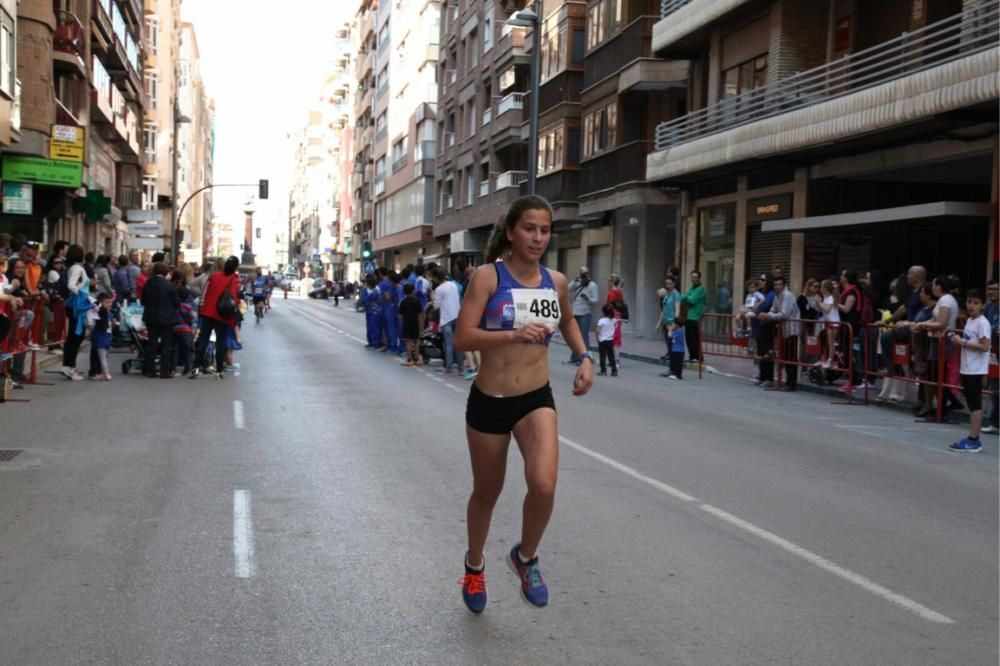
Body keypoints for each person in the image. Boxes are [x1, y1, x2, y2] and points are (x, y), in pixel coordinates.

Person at [453, 195, 593, 614]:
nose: (538, 237)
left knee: (545, 484)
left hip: (536, 397)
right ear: (512, 232)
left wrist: (584, 355)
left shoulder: (557, 281)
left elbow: (567, 319)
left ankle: (526, 557)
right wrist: (513, 335)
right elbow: (463, 337)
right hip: (490, 401)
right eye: (530, 228)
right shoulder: (487, 278)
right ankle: (474, 565)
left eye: (545, 230)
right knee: (487, 492)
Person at [949, 288, 991, 452]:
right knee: (971, 404)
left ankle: (974, 440)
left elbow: (984, 346)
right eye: (969, 302)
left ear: (982, 305)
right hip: (967, 367)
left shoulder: (982, 322)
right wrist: (960, 340)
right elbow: (969, 340)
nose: (971, 306)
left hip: (975, 369)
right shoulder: (970, 321)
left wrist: (963, 343)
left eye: (976, 303)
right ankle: (971, 438)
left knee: (975, 405)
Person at [191, 256, 241, 380]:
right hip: (221, 314)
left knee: (203, 340)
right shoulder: (234, 279)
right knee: (220, 342)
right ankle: (219, 371)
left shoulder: (214, 276)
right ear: (235, 267)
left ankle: (196, 368)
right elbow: (233, 297)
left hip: (207, 311)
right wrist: (238, 302)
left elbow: (205, 291)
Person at [760, 275, 801, 391]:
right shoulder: (777, 295)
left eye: (780, 285)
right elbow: (773, 309)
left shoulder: (787, 295)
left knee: (790, 356)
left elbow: (784, 313)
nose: (777, 287)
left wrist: (768, 316)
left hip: (791, 329)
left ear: (784, 285)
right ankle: (786, 383)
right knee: (785, 356)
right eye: (776, 285)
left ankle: (791, 384)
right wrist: (769, 314)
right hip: (783, 329)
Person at [141, 262, 179, 378]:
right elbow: (177, 302)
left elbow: (143, 301)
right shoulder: (169, 285)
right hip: (167, 319)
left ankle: (149, 369)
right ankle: (164, 371)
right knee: (166, 345)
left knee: (152, 344)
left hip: (151, 317)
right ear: (166, 272)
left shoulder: (148, 284)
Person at [60, 245, 90, 381]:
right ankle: (69, 366)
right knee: (76, 335)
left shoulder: (72, 267)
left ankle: (69, 365)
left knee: (75, 335)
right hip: (76, 305)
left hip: (74, 304)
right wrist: (82, 294)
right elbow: (71, 285)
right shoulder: (77, 268)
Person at [431, 266, 464, 375]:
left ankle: (449, 368)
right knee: (458, 343)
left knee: (449, 344)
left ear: (436, 278)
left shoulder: (439, 289)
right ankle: (461, 369)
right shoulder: (453, 285)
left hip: (446, 318)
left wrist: (432, 297)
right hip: (457, 316)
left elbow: (436, 306)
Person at [568, 267, 598, 364]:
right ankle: (574, 358)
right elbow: (568, 289)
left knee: (584, 336)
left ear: (589, 273)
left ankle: (585, 359)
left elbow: (595, 300)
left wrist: (588, 298)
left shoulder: (592, 285)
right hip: (575, 312)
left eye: (585, 273)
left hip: (585, 313)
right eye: (582, 273)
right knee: (574, 336)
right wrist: (575, 280)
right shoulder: (578, 283)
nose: (584, 275)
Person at [983, 279, 999, 434]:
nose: (991, 292)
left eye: (995, 289)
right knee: (995, 388)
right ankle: (995, 422)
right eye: (989, 289)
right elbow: (985, 326)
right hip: (993, 352)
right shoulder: (988, 307)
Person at [681, 270, 706, 364]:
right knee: (688, 337)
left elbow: (692, 300)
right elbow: (685, 297)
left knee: (694, 338)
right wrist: (687, 296)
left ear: (699, 278)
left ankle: (696, 357)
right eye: (692, 277)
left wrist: (686, 297)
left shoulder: (700, 289)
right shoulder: (691, 288)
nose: (693, 279)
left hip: (695, 316)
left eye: (695, 277)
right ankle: (692, 356)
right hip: (688, 316)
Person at [89, 292, 114, 381]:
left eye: (110, 302)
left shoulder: (107, 312)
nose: (109, 304)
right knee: (102, 358)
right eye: (107, 302)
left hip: (104, 337)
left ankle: (99, 373)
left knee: (101, 357)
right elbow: (91, 324)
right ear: (101, 302)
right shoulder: (100, 311)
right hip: (100, 337)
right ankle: (105, 374)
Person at [397, 282, 423, 367]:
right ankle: (417, 359)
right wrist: (421, 326)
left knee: (408, 341)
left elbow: (400, 315)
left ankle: (409, 359)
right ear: (413, 291)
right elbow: (420, 314)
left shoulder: (403, 301)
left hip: (406, 323)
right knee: (416, 340)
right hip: (415, 323)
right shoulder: (417, 300)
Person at [173, 286, 196, 376]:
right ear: (187, 296)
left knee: (175, 349)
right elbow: (191, 318)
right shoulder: (187, 307)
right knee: (187, 350)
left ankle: (173, 368)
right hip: (186, 330)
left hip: (175, 329)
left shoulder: (174, 306)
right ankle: (187, 368)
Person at [605, 275, 626, 368]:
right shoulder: (620, 292)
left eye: (609, 281)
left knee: (611, 338)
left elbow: (609, 306)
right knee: (616, 339)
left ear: (612, 282)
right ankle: (613, 359)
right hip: (619, 316)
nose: (608, 284)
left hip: (612, 317)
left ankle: (615, 360)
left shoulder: (611, 293)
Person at [658, 276, 681, 359]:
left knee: (672, 340)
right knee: (667, 340)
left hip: (672, 322)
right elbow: (663, 309)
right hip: (665, 321)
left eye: (670, 284)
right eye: (666, 284)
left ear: (674, 284)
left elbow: (677, 310)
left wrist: (674, 323)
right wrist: (658, 323)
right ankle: (669, 353)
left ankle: (672, 356)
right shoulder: (667, 294)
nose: (668, 286)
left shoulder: (676, 294)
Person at [596, 303, 618, 377]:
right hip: (610, 341)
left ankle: (603, 370)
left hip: (602, 340)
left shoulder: (601, 321)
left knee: (602, 356)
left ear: (603, 312)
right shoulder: (614, 320)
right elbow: (618, 321)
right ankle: (614, 370)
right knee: (611, 356)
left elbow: (598, 331)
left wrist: (597, 338)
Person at [362, 275, 383, 348]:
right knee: (373, 327)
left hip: (372, 311)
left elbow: (365, 301)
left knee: (374, 327)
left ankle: (375, 343)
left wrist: (368, 303)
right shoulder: (377, 290)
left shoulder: (375, 291)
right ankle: (373, 342)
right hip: (375, 311)